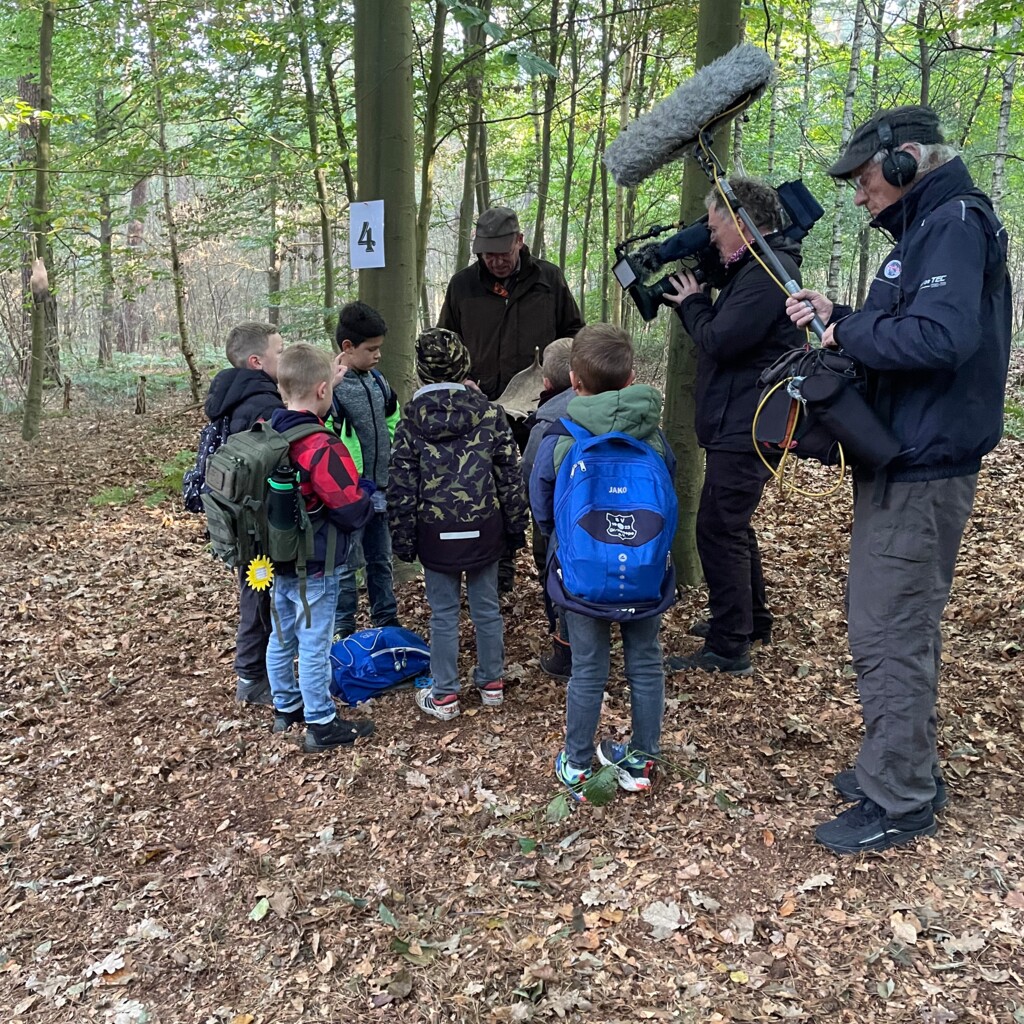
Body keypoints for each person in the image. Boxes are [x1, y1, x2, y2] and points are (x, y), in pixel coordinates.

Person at [785, 104, 1011, 854]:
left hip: (924, 467)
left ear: (907, 159)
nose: (856, 194)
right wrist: (838, 312)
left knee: (889, 632)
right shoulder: (928, 228)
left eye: (863, 177)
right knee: (894, 626)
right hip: (903, 458)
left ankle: (901, 798)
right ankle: (899, 763)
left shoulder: (952, 222)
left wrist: (848, 330)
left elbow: (943, 338)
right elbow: (912, 324)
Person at [662, 178, 805, 676]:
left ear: (742, 223)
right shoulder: (757, 268)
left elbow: (721, 340)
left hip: (750, 423)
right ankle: (751, 621)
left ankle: (729, 645)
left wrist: (693, 303)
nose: (709, 231)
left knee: (718, 528)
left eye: (715, 221)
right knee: (732, 526)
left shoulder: (769, 272)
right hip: (742, 418)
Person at [530, 324, 675, 797]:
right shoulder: (655, 439)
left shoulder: (562, 435)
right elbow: (667, 496)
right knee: (646, 663)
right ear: (631, 376)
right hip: (644, 570)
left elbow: (540, 505)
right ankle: (642, 762)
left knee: (589, 667)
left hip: (581, 574)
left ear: (573, 380)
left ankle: (576, 764)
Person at [438, 206, 584, 592]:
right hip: (483, 406)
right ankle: (498, 571)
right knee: (488, 490)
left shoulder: (548, 279)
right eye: (488, 254)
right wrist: (460, 380)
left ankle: (550, 569)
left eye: (503, 252)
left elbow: (575, 333)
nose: (497, 261)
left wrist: (560, 378)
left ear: (520, 242)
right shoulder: (462, 286)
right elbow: (445, 343)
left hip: (542, 404)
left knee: (545, 485)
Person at [387, 328, 529, 721]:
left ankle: (446, 694)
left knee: (444, 613)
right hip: (485, 527)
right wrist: (515, 529)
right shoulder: (488, 414)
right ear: (464, 365)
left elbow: (400, 485)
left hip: (436, 534)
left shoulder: (410, 419)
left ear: (421, 372)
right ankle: (491, 684)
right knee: (486, 609)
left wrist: (402, 540)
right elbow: (509, 477)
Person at [265, 343, 377, 753]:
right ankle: (321, 722)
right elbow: (349, 508)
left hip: (274, 558)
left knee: (281, 634)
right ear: (321, 390)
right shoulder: (320, 445)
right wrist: (366, 489)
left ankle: (285, 705)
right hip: (317, 559)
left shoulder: (268, 432)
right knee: (314, 641)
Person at [202, 321, 285, 706]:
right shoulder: (261, 404)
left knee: (256, 591)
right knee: (259, 592)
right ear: (257, 361)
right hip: (257, 520)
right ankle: (252, 676)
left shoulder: (236, 395)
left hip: (242, 517)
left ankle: (258, 671)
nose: (283, 358)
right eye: (278, 352)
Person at [330, 301, 401, 639]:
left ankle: (386, 621)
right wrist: (352, 481)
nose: (377, 355)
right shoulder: (331, 388)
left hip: (381, 490)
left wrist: (389, 465)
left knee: (380, 559)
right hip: (349, 495)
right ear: (348, 347)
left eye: (379, 348)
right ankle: (344, 626)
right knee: (347, 564)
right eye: (370, 349)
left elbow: (392, 419)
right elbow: (328, 437)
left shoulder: (378, 382)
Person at [521, 337, 575, 681]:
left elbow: (532, 479)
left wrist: (545, 528)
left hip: (560, 523)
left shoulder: (548, 425)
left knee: (559, 579)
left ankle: (564, 647)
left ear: (546, 382)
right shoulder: (627, 412)